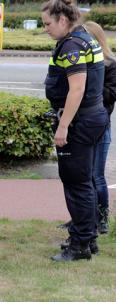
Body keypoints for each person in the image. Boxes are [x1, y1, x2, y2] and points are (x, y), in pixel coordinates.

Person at [42, 0, 109, 261]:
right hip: (93, 117)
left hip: (80, 121)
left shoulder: (71, 45)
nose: (45, 28)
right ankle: (88, 238)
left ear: (63, 20)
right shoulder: (84, 38)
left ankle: (80, 245)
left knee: (76, 183)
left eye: (48, 23)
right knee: (85, 182)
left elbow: (77, 89)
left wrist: (63, 126)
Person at [83, 21, 116, 234]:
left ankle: (102, 219)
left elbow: (112, 95)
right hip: (82, 126)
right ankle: (84, 217)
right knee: (82, 176)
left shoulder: (110, 65)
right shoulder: (81, 63)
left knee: (96, 175)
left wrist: (91, 85)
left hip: (101, 126)